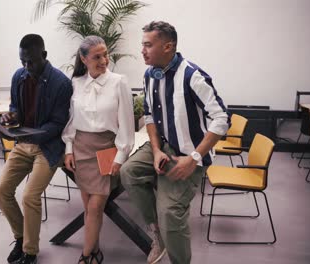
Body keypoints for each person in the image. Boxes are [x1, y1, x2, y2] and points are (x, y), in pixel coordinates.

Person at [120, 21, 230, 264]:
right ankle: (156, 233)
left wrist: (195, 158)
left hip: (189, 154)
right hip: (163, 146)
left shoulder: (193, 76)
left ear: (168, 46)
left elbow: (222, 119)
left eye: (148, 45)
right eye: (143, 45)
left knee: (170, 213)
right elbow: (149, 115)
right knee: (128, 172)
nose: (142, 50)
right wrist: (157, 149)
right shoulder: (150, 75)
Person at [0, 34, 73, 264]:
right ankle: (20, 238)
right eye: (22, 61)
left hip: (48, 147)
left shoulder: (61, 83)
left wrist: (32, 134)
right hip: (23, 144)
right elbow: (15, 107)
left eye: (31, 61)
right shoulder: (19, 76)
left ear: (44, 56)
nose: (26, 67)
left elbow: (59, 124)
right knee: (1, 191)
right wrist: (10, 116)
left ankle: (30, 251)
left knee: (30, 196)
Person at [62, 35, 135, 264]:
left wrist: (121, 156)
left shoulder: (119, 81)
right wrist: (68, 148)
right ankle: (94, 251)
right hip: (81, 150)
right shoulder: (75, 83)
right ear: (84, 59)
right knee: (89, 210)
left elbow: (126, 123)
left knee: (94, 208)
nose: (104, 60)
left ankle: (85, 257)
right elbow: (71, 120)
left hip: (106, 149)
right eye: (97, 56)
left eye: (105, 54)